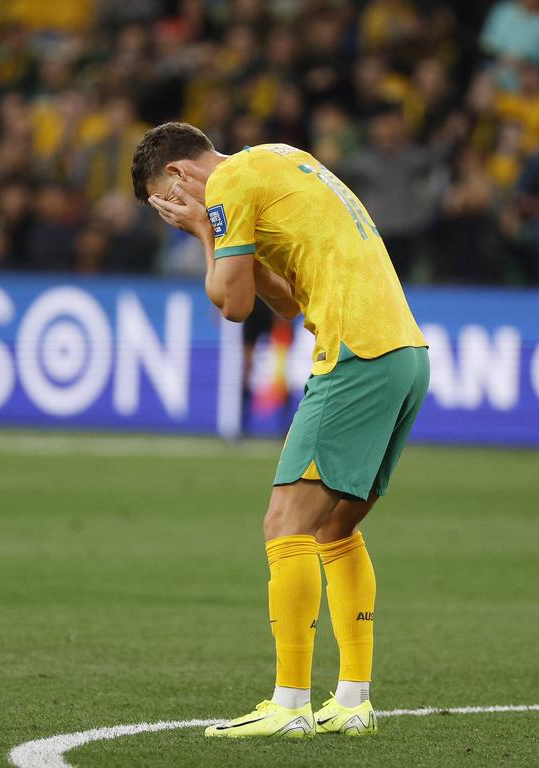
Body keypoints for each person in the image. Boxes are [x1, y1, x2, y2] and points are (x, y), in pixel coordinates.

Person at [131, 123, 429, 738]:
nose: (172, 211)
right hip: (404, 352)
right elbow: (287, 302)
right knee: (336, 526)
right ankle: (352, 701)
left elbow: (233, 305)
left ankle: (289, 704)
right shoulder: (274, 159)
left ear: (176, 177)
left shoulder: (227, 186)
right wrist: (220, 235)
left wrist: (201, 231)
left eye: (163, 201)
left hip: (355, 354)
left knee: (283, 524)